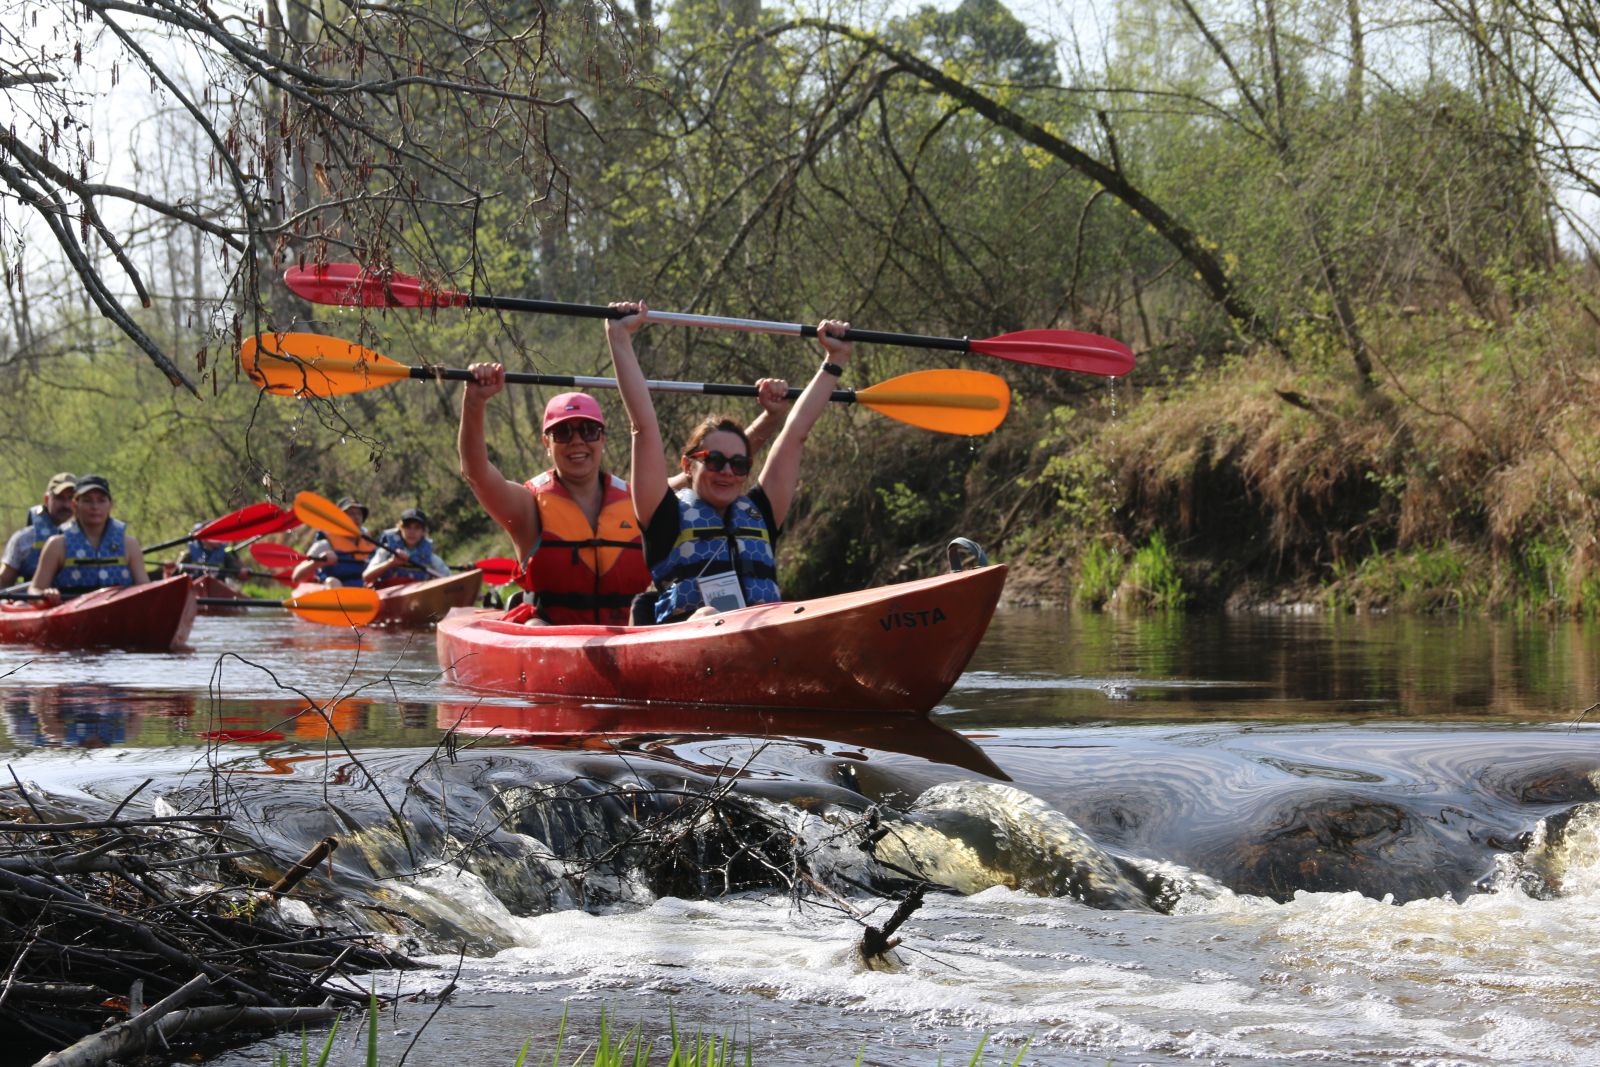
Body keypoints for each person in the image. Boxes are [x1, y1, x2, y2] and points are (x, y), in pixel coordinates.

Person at [458, 367, 792, 625]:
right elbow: (477, 474)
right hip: (552, 633)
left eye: (589, 430)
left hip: (628, 637)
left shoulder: (638, 499)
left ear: (602, 438)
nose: (577, 441)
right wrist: (474, 402)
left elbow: (717, 465)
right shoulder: (527, 507)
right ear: (547, 443)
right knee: (534, 626)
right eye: (563, 432)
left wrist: (771, 417)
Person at [605, 301, 851, 623]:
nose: (727, 472)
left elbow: (795, 434)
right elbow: (643, 427)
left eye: (739, 464)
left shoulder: (760, 512)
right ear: (687, 466)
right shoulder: (662, 515)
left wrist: (835, 359)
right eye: (714, 460)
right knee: (708, 614)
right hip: (690, 637)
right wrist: (619, 336)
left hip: (762, 638)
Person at [29, 474, 149, 599]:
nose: (95, 507)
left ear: (110, 505)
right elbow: (35, 589)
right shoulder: (56, 545)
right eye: (87, 500)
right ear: (75, 505)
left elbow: (146, 591)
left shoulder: (129, 545)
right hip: (70, 610)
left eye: (101, 500)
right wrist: (45, 595)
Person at [0, 472, 76, 587]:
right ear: (46, 499)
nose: (66, 505)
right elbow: (4, 582)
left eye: (71, 498)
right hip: (34, 597)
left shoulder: (93, 538)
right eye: (59, 498)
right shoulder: (23, 539)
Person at [291, 496, 372, 586]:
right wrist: (317, 562)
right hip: (335, 589)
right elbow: (296, 577)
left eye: (359, 514)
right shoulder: (325, 544)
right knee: (332, 582)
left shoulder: (369, 543)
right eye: (351, 513)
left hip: (366, 589)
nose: (356, 517)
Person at [363, 507, 452, 586]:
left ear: (423, 532)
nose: (412, 532)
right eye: (407, 527)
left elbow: (449, 580)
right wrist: (390, 563)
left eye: (417, 528)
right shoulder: (386, 551)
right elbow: (366, 577)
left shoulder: (430, 557)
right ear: (401, 528)